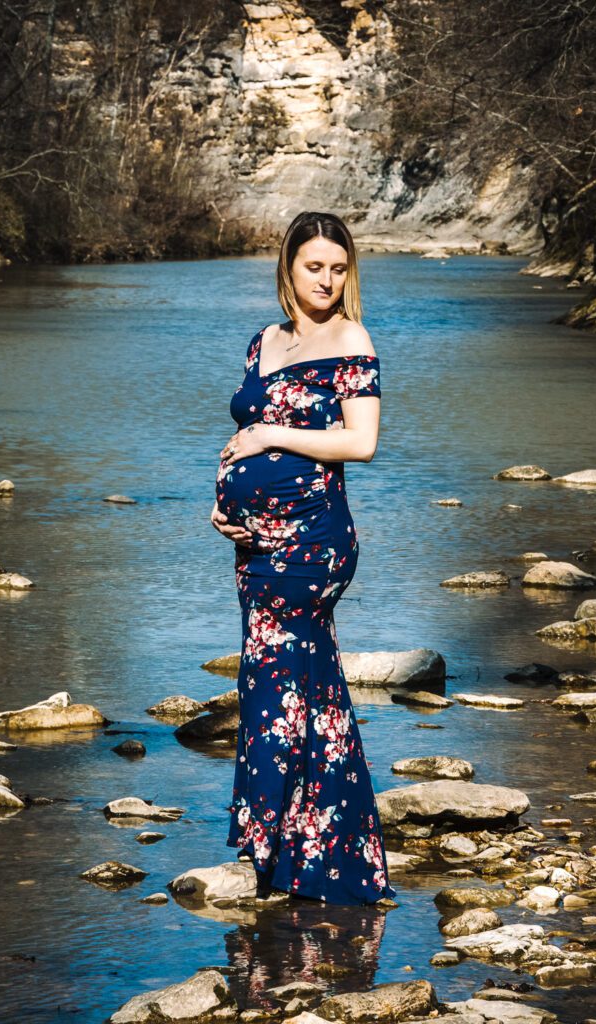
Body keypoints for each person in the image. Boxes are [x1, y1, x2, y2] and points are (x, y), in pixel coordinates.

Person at [210, 210, 395, 906]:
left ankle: (277, 849)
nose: (325, 279)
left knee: (274, 685)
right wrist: (223, 502)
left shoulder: (351, 338)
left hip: (313, 541)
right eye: (313, 266)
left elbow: (360, 442)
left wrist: (267, 433)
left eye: (337, 268)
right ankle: (320, 854)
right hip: (255, 544)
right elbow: (243, 434)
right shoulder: (264, 341)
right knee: (304, 689)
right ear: (287, 267)